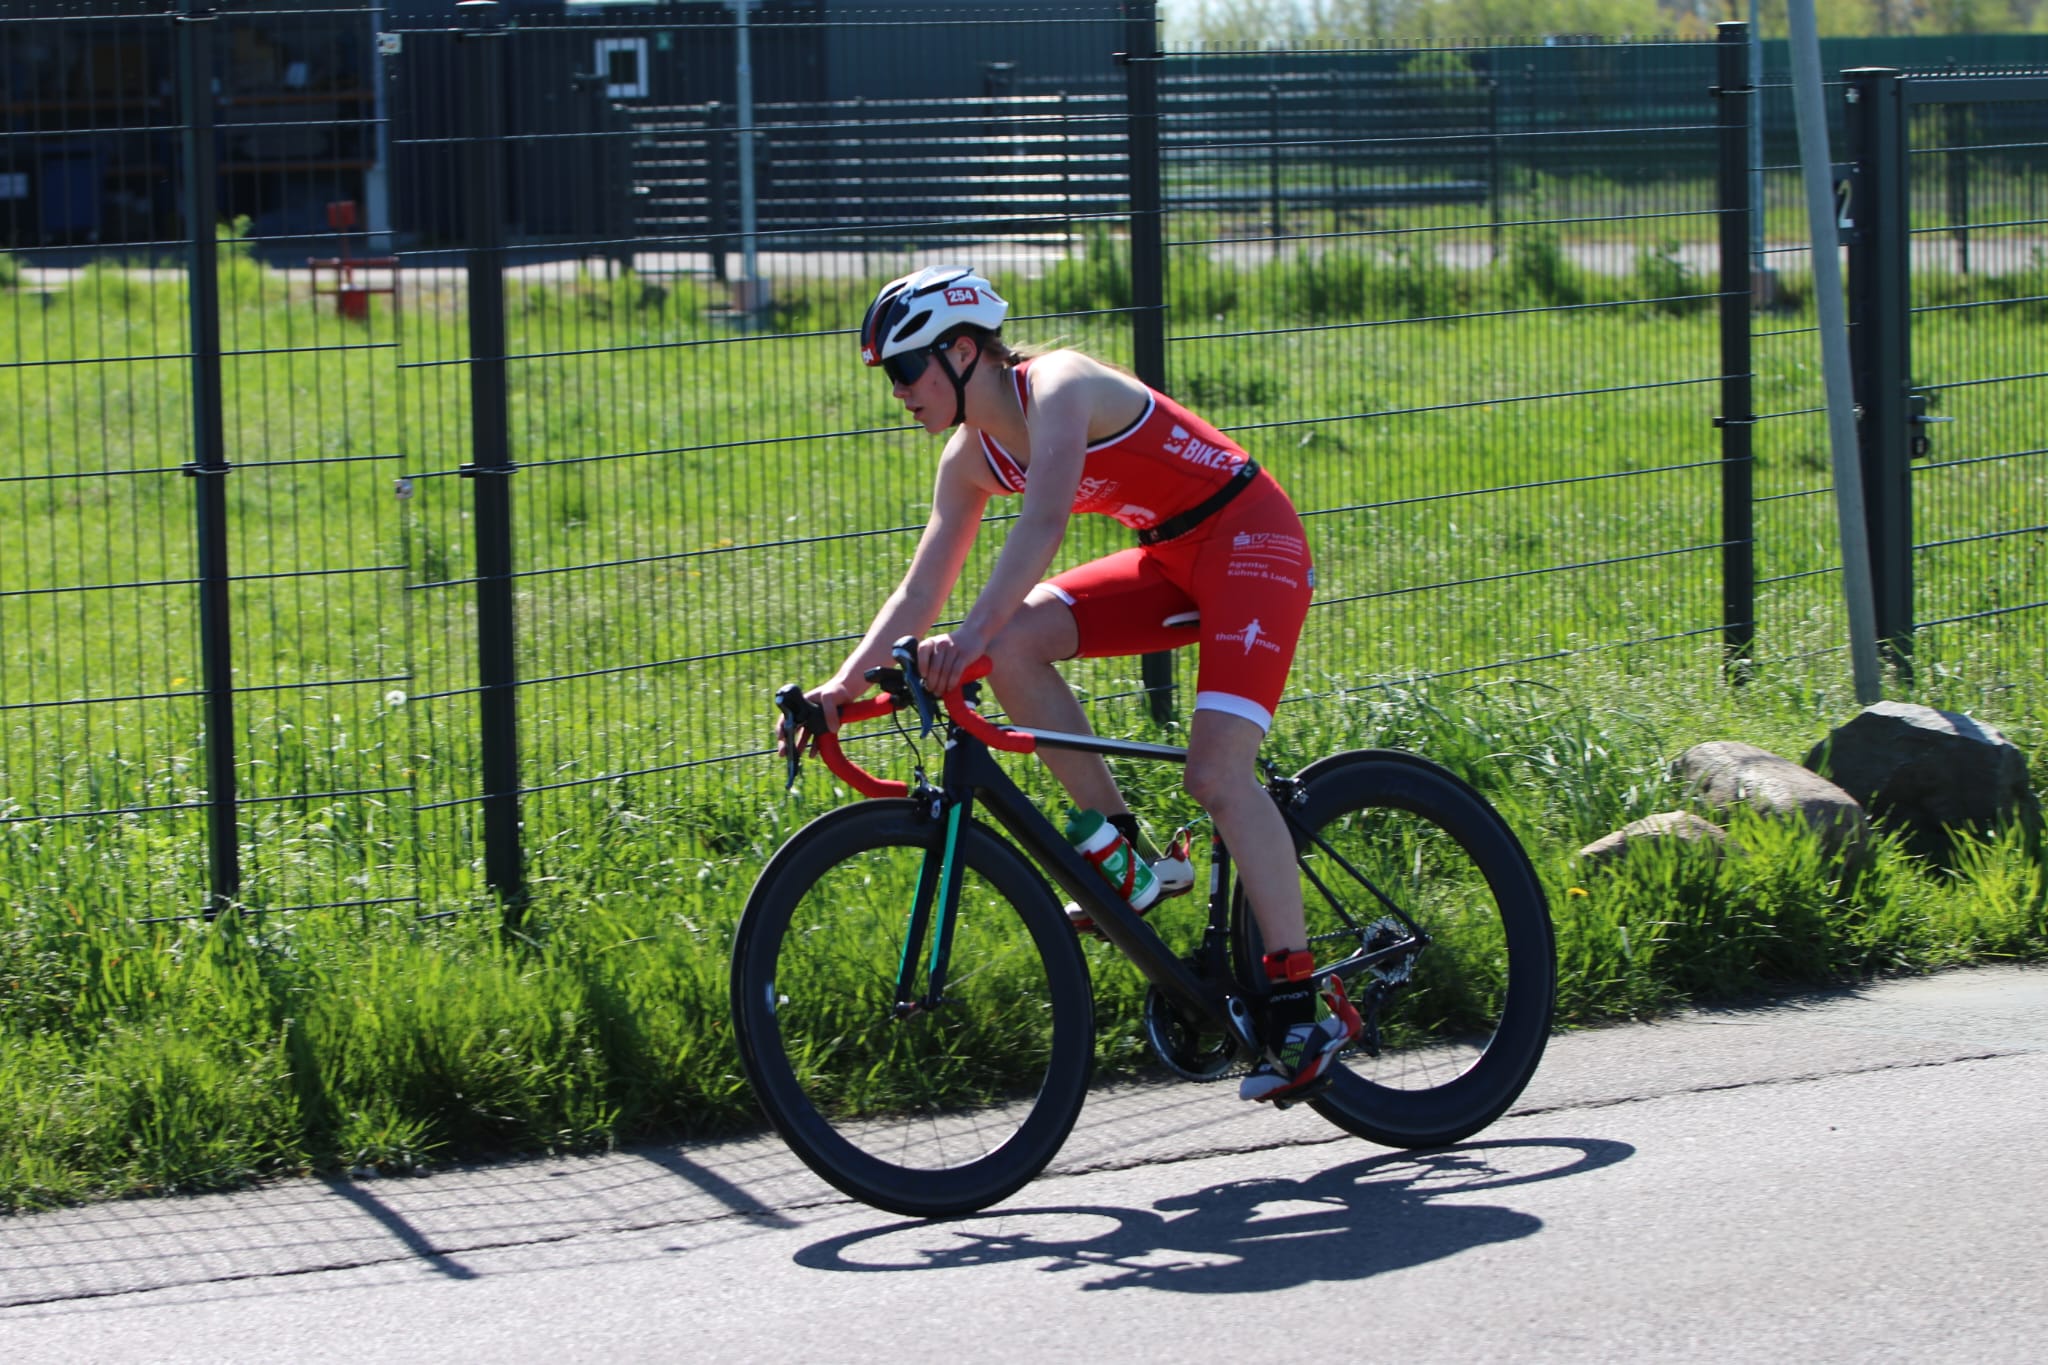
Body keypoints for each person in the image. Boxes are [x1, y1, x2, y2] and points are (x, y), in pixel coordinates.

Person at [790, 264, 1359, 1103]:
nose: (900, 391)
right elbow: (920, 589)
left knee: (1215, 775)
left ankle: (1301, 1006)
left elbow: (1044, 522)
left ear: (961, 351)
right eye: (890, 377)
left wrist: (965, 639)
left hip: (1250, 538)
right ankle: (1127, 856)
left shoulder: (1057, 386)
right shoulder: (968, 458)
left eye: (906, 368)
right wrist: (838, 690)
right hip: (1172, 555)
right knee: (1010, 647)